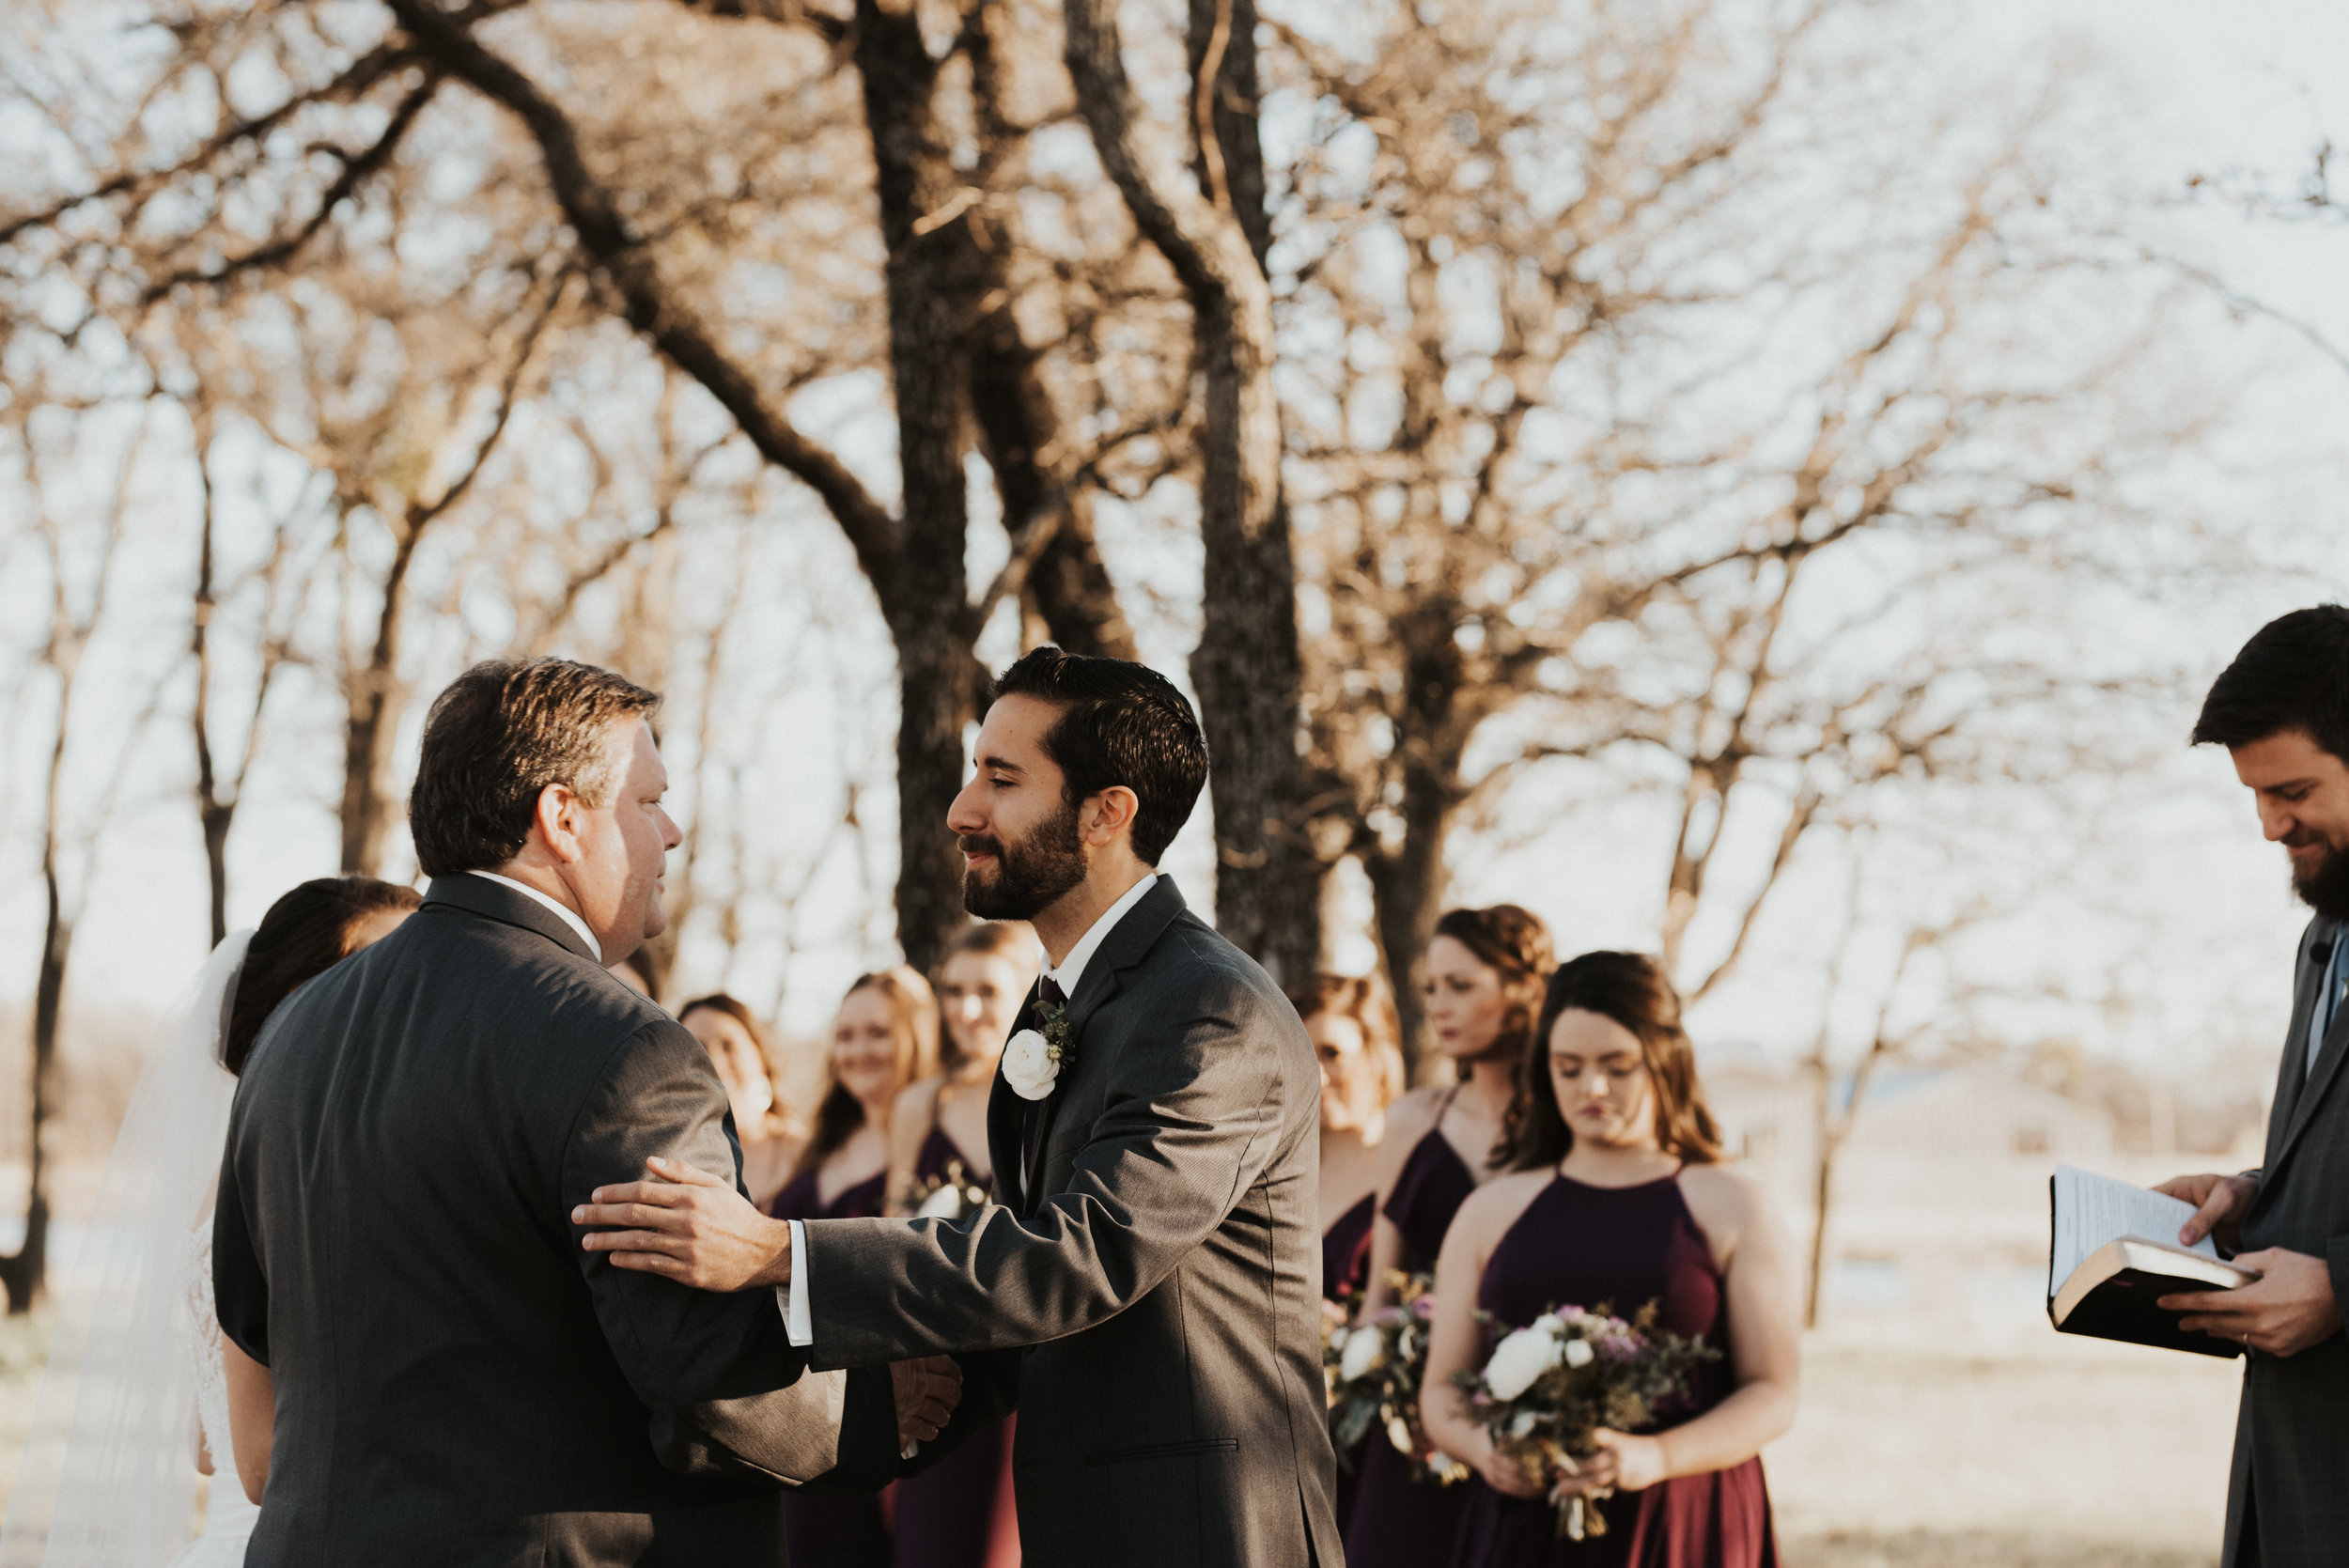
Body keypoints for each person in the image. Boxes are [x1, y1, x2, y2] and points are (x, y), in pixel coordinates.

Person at [575, 645, 1344, 1567]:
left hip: (1210, 1526)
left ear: (1106, 813)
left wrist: (780, 1251)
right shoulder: (1061, 1005)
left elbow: (1084, 1254)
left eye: (1001, 779)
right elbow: (1030, 1290)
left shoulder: (1213, 1010)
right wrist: (862, 1424)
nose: (960, 810)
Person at [212, 658, 957, 1566]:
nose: (672, 831)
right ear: (562, 818)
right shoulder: (623, 1052)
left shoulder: (293, 1033)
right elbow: (703, 1375)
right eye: (648, 802)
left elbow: (252, 1318)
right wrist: (884, 1407)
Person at [0, 876, 415, 1568]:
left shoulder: (223, 1180)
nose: (409, 1001)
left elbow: (206, 1443)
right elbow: (259, 1462)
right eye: (381, 975)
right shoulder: (287, 1181)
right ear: (300, 999)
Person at [1421, 952, 1798, 1566]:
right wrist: (1484, 1446)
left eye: (1616, 1066)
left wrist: (1659, 1456)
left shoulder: (1733, 1202)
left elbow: (1775, 1391)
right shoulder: (1491, 1209)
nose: (1591, 1087)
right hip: (1526, 1527)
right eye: (1568, 1068)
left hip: (1686, 1520)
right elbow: (1441, 1388)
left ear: (1664, 1061)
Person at [2156, 605, 2349, 1568]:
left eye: (2294, 789)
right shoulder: (2322, 942)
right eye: (2256, 795)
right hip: (2290, 1491)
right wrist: (2249, 1199)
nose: (2272, 823)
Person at [1347, 905, 1554, 1568]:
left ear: (1525, 988)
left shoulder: (1564, 1129)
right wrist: (1380, 1371)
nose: (1439, 1005)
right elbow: (1381, 1289)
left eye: (1461, 985)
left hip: (1534, 1419)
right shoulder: (1410, 1120)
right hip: (1413, 1428)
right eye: (1432, 987)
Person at [770, 967, 940, 1568]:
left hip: (892, 1402)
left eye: (877, 1033)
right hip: (804, 1401)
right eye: (845, 1035)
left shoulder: (932, 1143)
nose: (858, 1051)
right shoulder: (817, 1144)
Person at [885, 922, 1039, 1568]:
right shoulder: (919, 1103)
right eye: (952, 991)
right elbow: (891, 1228)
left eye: (985, 991)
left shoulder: (1043, 1102)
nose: (965, 1009)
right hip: (943, 1367)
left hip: (1027, 1375)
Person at [1293, 972, 1407, 1304]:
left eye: (1332, 1053)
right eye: (1300, 1054)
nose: (1315, 1074)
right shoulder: (1266, 1174)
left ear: (1378, 1057)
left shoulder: (1414, 1170)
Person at [679, 993, 803, 1210]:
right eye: (697, 1049)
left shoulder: (805, 1153)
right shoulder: (668, 1153)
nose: (714, 1062)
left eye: (728, 1046)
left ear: (761, 1058)